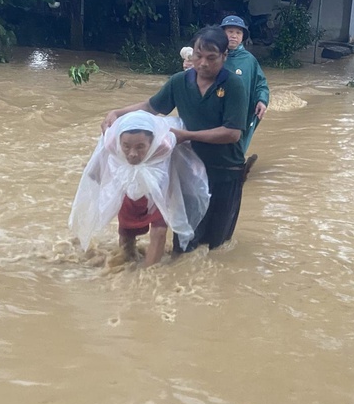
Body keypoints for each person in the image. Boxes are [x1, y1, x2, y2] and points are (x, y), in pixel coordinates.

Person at [101, 26, 247, 252]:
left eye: (211, 58)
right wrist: (117, 113)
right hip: (188, 169)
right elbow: (151, 107)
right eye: (198, 56)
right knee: (185, 240)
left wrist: (186, 136)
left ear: (224, 56)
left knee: (215, 245)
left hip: (225, 171)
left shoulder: (233, 85)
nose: (203, 64)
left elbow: (232, 133)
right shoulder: (180, 81)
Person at [69, 110, 210, 267]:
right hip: (127, 188)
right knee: (126, 234)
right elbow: (98, 164)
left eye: (140, 147)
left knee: (159, 232)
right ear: (119, 142)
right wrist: (94, 174)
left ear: (152, 142)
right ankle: (126, 264)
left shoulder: (164, 144)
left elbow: (183, 146)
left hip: (158, 190)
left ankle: (148, 274)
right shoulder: (111, 142)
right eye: (126, 146)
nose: (133, 154)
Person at [220, 15, 270, 177]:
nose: (234, 35)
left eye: (238, 33)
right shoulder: (214, 56)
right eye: (230, 31)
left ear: (243, 37)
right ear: (222, 34)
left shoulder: (249, 61)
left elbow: (260, 84)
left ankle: (233, 169)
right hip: (217, 109)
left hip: (241, 112)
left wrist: (262, 100)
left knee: (236, 141)